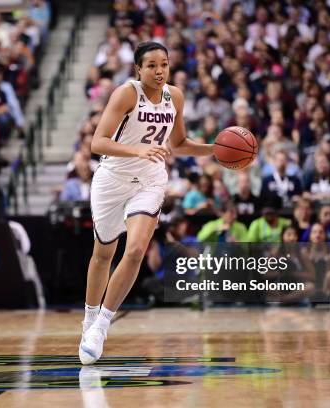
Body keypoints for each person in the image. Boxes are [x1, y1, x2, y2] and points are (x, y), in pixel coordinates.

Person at [79, 42, 215, 365]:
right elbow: (98, 142)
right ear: (138, 69)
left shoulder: (175, 97)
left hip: (151, 180)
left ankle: (101, 325)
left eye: (164, 64)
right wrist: (137, 150)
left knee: (137, 249)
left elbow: (178, 144)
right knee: (103, 255)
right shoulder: (126, 94)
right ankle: (88, 317)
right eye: (151, 65)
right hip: (112, 179)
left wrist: (215, 149)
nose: (159, 71)